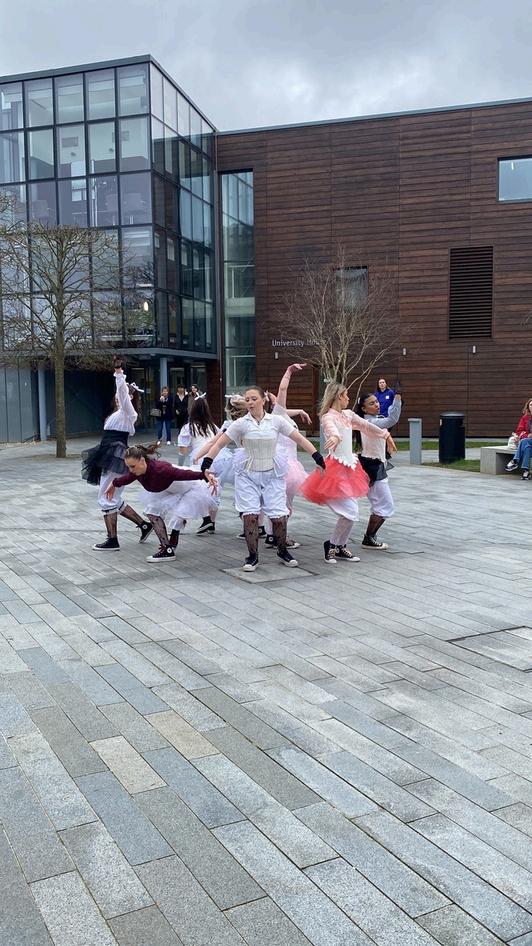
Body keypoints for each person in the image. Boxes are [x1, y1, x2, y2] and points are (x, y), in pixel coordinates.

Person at [201, 386, 326, 572]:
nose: (250, 402)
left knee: (279, 516)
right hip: (247, 474)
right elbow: (219, 443)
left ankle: (282, 550)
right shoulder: (241, 424)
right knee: (250, 515)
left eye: (253, 399)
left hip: (272, 473)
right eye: (247, 399)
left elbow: (299, 439)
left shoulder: (276, 421)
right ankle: (252, 556)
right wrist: (206, 463)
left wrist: (318, 458)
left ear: (263, 400)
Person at [300, 381, 396, 565]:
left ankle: (338, 546)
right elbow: (332, 430)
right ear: (339, 396)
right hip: (334, 471)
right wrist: (335, 437)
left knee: (351, 513)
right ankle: (332, 545)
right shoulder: (328, 417)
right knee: (350, 511)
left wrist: (386, 435)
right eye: (346, 395)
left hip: (350, 469)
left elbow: (366, 426)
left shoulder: (348, 415)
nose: (348, 398)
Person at [81, 358, 153, 551]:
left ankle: (112, 540)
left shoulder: (128, 413)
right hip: (111, 454)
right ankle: (144, 525)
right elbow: (120, 393)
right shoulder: (119, 413)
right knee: (113, 497)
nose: (117, 397)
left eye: (121, 395)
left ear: (129, 396)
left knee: (106, 497)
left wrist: (119, 373)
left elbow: (122, 392)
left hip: (115, 456)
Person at [106, 444, 218, 562]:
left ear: (142, 460)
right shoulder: (138, 471)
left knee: (179, 515)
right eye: (128, 467)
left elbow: (183, 474)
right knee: (151, 512)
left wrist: (203, 475)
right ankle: (167, 547)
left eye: (132, 466)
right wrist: (114, 484)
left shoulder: (161, 469)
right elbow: (127, 478)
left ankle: (169, 547)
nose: (131, 470)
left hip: (189, 488)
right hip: (168, 489)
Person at [355, 390, 402, 549]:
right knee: (385, 506)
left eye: (377, 401)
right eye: (372, 403)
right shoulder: (370, 422)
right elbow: (392, 419)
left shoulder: (371, 420)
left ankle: (370, 537)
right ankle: (368, 538)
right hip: (372, 468)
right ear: (363, 409)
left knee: (382, 505)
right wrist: (397, 398)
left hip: (374, 465)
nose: (377, 405)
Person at [506, 398, 532, 480]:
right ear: (528, 407)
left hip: (527, 441)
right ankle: (526, 471)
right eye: (531, 405)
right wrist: (527, 435)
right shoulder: (525, 418)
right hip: (528, 442)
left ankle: (515, 461)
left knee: (524, 442)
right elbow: (519, 431)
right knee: (527, 447)